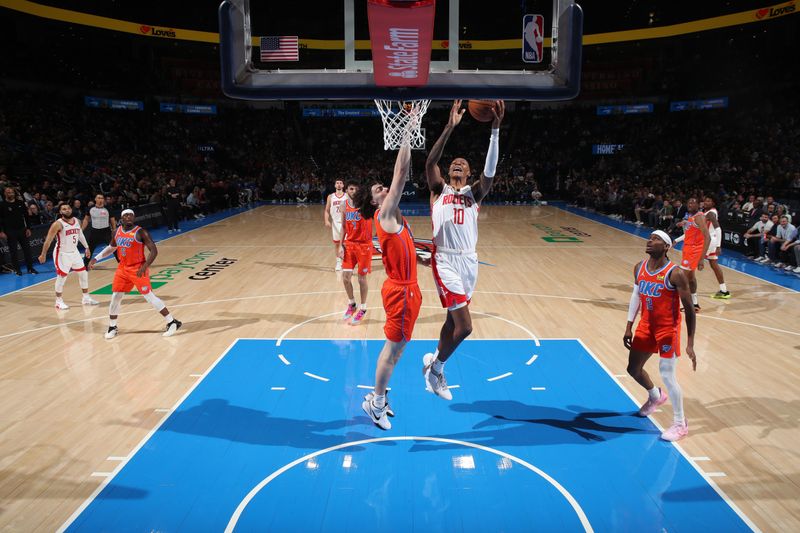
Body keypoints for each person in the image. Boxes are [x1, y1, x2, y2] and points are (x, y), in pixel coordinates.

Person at [422, 99, 505, 400]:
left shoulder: (475, 193)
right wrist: (449, 127)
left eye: (464, 165)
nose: (458, 164)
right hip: (444, 259)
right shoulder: (438, 190)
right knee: (466, 327)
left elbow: (491, 172)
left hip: (469, 262)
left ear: (469, 174)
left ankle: (434, 357)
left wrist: (494, 130)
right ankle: (436, 370)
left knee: (450, 320)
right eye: (454, 163)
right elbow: (430, 163)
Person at [356, 136, 427, 429]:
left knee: (397, 351)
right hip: (400, 291)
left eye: (383, 187)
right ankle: (376, 403)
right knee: (392, 350)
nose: (385, 189)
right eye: (378, 190)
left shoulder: (395, 216)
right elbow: (400, 174)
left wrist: (420, 259)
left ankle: (378, 397)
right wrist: (408, 133)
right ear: (373, 202)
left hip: (408, 286)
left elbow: (404, 246)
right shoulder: (383, 214)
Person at [624, 230, 697, 442]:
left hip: (668, 329)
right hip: (646, 325)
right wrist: (629, 325)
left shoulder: (675, 273)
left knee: (666, 374)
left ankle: (680, 423)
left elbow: (690, 309)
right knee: (633, 369)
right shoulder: (639, 267)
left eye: (655, 239)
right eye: (650, 237)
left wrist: (690, 343)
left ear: (666, 247)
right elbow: (636, 295)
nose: (649, 241)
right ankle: (656, 396)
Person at [88, 209, 182, 338]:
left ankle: (172, 322)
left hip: (137, 269)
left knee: (149, 296)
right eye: (126, 215)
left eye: (131, 215)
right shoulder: (116, 232)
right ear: (121, 218)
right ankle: (112, 326)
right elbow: (111, 248)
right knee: (115, 297)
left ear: (134, 217)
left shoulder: (141, 232)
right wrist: (96, 258)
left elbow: (153, 251)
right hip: (122, 268)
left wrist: (145, 266)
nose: (129, 217)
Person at [38, 204, 98, 309]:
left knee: (83, 273)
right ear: (60, 212)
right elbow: (48, 240)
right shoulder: (57, 224)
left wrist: (87, 247)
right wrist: (43, 254)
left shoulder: (77, 221)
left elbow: (80, 235)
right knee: (62, 277)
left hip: (74, 252)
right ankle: (58, 301)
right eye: (64, 209)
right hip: (62, 253)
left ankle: (86, 297)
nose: (67, 210)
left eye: (68, 208)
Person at [338, 180, 372, 325]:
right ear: (347, 190)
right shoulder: (343, 205)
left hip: (364, 246)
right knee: (345, 277)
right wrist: (340, 245)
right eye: (351, 189)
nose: (353, 191)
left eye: (356, 189)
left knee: (361, 279)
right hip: (349, 245)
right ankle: (352, 304)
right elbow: (344, 227)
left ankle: (363, 308)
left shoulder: (366, 205)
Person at [674, 198, 710, 312]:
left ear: (698, 205)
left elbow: (707, 237)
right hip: (688, 250)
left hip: (694, 251)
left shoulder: (699, 217)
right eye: (688, 202)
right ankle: (694, 304)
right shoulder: (691, 217)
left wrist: (701, 259)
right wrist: (677, 239)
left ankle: (682, 304)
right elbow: (690, 233)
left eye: (693, 203)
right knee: (691, 278)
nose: (690, 205)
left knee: (681, 278)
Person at [0, 186, 38, 275]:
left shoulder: (20, 203)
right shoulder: (1, 205)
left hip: (22, 230)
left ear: (14, 193)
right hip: (10, 231)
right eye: (8, 192)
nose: (10, 194)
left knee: (27, 250)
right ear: (5, 193)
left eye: (12, 192)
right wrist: (1, 231)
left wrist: (28, 228)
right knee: (13, 252)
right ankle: (17, 270)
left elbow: (26, 216)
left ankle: (30, 268)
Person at [702, 196, 730, 299]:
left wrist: (719, 246)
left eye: (709, 200)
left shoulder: (711, 213)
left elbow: (718, 229)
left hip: (709, 242)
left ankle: (680, 286)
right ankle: (724, 290)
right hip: (711, 241)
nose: (706, 202)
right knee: (714, 265)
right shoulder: (707, 212)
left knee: (691, 262)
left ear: (713, 203)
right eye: (705, 200)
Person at [82, 194, 117, 267]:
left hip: (106, 232)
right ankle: (84, 265)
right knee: (90, 249)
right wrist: (81, 230)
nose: (100, 199)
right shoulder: (90, 208)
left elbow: (112, 220)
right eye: (98, 198)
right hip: (95, 232)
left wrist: (114, 230)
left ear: (103, 200)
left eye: (102, 198)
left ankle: (121, 263)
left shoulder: (108, 208)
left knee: (113, 247)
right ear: (95, 199)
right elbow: (86, 219)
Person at [324, 179, 347, 274]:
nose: (339, 184)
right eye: (337, 183)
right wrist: (326, 220)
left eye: (340, 183)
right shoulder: (330, 197)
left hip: (346, 223)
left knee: (347, 244)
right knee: (337, 244)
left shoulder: (347, 196)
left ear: (343, 185)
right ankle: (338, 262)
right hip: (335, 223)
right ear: (334, 185)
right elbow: (326, 210)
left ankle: (347, 262)